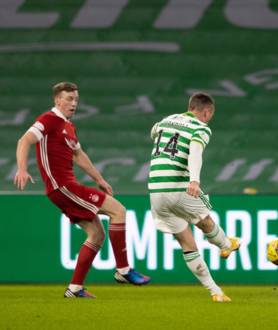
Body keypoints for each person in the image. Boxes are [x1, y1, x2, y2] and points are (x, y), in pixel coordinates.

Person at [14, 82, 150, 298]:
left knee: (96, 235)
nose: (74, 103)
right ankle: (123, 270)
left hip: (65, 188)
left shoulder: (68, 126)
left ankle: (75, 288)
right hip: (63, 186)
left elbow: (79, 155)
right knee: (119, 211)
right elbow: (24, 140)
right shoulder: (48, 119)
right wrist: (22, 168)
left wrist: (100, 179)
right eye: (69, 98)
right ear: (58, 100)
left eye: (76, 99)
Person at [148, 92, 240, 303]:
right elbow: (195, 152)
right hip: (177, 187)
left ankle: (215, 291)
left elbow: (154, 132)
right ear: (206, 112)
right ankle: (226, 244)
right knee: (205, 213)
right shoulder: (201, 128)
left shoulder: (165, 120)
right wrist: (194, 180)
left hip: (155, 191)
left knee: (187, 243)